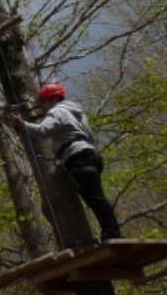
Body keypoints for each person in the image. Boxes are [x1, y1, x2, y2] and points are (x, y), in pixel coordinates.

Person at [9, 82, 122, 241]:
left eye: (45, 102)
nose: (44, 107)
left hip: (78, 157)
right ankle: (110, 230)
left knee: (95, 198)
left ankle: (112, 232)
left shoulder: (57, 111)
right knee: (95, 197)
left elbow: (43, 131)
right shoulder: (77, 113)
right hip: (89, 154)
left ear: (53, 99)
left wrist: (21, 124)